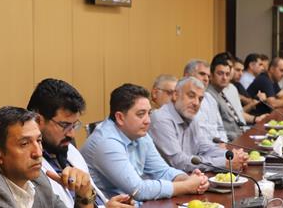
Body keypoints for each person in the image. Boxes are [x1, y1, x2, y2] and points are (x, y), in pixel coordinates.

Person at [27, 78, 136, 208]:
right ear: (38, 120)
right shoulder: (29, 164)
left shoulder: (69, 150)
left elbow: (93, 196)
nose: (71, 134)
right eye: (64, 125)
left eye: (74, 125)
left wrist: (117, 207)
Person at [81, 83, 210, 201]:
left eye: (149, 113)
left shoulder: (140, 134)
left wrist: (190, 180)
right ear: (120, 117)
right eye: (141, 114)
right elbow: (138, 190)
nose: (148, 120)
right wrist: (187, 186)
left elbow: (162, 171)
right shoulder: (106, 142)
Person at [150, 77, 248, 172]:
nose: (196, 103)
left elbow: (204, 148)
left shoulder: (191, 117)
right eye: (191, 96)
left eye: (200, 99)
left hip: (189, 177)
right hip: (167, 180)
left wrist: (231, 156)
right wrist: (224, 163)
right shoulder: (161, 119)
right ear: (175, 95)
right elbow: (178, 162)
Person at [206, 54, 267, 140]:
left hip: (242, 132)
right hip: (232, 139)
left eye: (227, 73)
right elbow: (218, 130)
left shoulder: (228, 89)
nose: (224, 77)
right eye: (220, 73)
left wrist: (256, 119)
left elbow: (239, 114)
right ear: (211, 75)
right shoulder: (209, 96)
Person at [183, 59, 227, 142]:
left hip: (220, 145)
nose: (206, 79)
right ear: (187, 75)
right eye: (202, 74)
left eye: (208, 76)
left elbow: (220, 128)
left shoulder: (210, 98)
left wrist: (224, 143)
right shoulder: (181, 99)